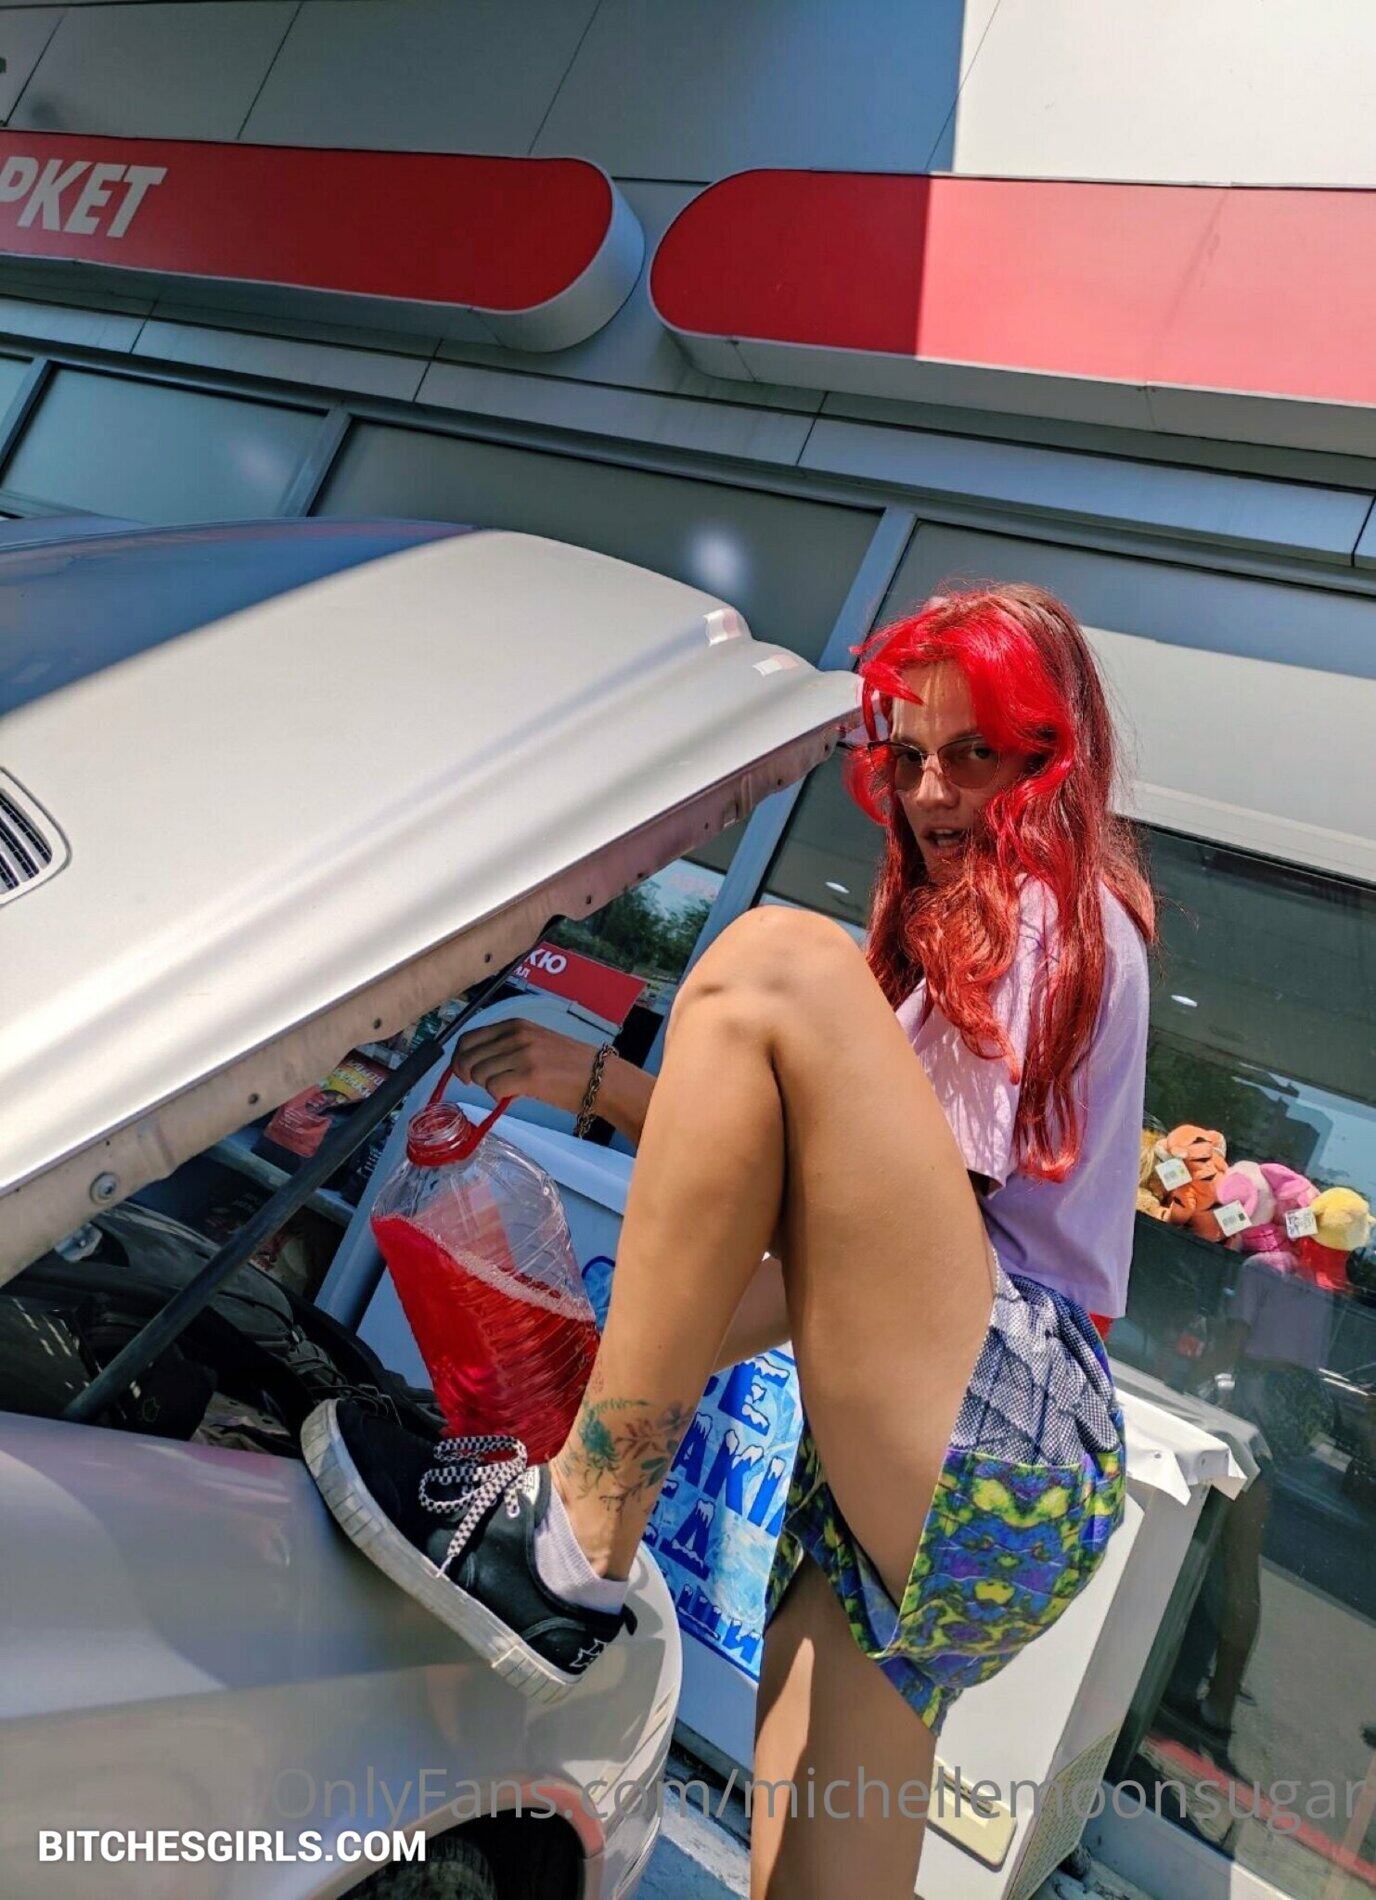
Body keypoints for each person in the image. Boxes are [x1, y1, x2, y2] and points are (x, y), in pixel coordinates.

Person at [304, 582, 1156, 1898]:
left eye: (974, 753)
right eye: (907, 757)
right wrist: (617, 1373)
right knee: (802, 1876)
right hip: (958, 1476)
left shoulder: (1052, 909)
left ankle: (576, 1550)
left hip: (1002, 1419)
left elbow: (830, 1217)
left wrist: (606, 1091)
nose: (931, 792)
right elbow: (838, 1265)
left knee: (770, 962)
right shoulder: (967, 951)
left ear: (1051, 758)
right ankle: (578, 1524)